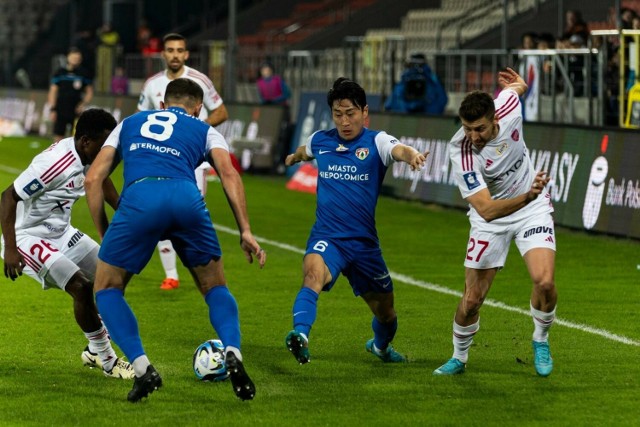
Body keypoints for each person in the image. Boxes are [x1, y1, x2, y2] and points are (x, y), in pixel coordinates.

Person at [84, 78, 266, 402]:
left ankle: (143, 370)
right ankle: (233, 351)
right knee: (215, 287)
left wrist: (105, 232)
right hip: (186, 198)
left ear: (163, 105)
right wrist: (246, 230)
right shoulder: (205, 129)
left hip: (141, 197)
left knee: (107, 288)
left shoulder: (129, 123)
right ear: (198, 109)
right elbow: (229, 174)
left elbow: (93, 178)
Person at [284, 77, 429, 365]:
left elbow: (399, 149)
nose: (344, 121)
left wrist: (411, 156)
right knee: (312, 274)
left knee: (386, 314)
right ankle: (300, 335)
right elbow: (305, 150)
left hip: (364, 246)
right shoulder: (322, 140)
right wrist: (293, 157)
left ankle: (380, 347)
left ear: (364, 112)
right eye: (338, 114)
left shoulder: (377, 141)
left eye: (350, 113)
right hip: (329, 237)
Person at [433, 68, 557, 377]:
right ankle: (459, 358)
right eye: (467, 128)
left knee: (544, 282)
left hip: (532, 210)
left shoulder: (508, 106)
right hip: (492, 219)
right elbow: (487, 210)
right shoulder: (460, 151)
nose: (472, 137)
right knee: (472, 300)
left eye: (479, 129)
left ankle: (540, 339)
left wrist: (519, 84)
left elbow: (518, 88)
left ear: (495, 119)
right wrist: (528, 195)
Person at [0, 109, 134, 380]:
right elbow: (7, 197)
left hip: (62, 233)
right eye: (102, 145)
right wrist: (11, 248)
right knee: (81, 288)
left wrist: (122, 208)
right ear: (85, 141)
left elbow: (101, 179)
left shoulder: (88, 155)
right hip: (28, 236)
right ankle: (105, 358)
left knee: (113, 275)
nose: (106, 152)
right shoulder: (53, 164)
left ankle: (95, 339)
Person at [138, 32, 229, 291]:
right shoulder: (152, 84)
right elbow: (141, 117)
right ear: (163, 53)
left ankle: (204, 267)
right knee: (160, 211)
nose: (175, 55)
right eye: (170, 50)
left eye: (180, 50)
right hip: (159, 157)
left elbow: (221, 111)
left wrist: (193, 130)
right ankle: (171, 274)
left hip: (192, 158)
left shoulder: (199, 80)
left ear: (186, 54)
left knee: (190, 213)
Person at [47, 47, 94, 142]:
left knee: (76, 137)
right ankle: (58, 156)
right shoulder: (60, 73)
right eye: (73, 58)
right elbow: (53, 91)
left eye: (77, 59)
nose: (75, 60)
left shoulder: (83, 74)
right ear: (68, 57)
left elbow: (89, 92)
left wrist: (83, 104)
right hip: (61, 108)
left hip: (76, 110)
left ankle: (75, 156)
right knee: (58, 136)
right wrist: (52, 108)